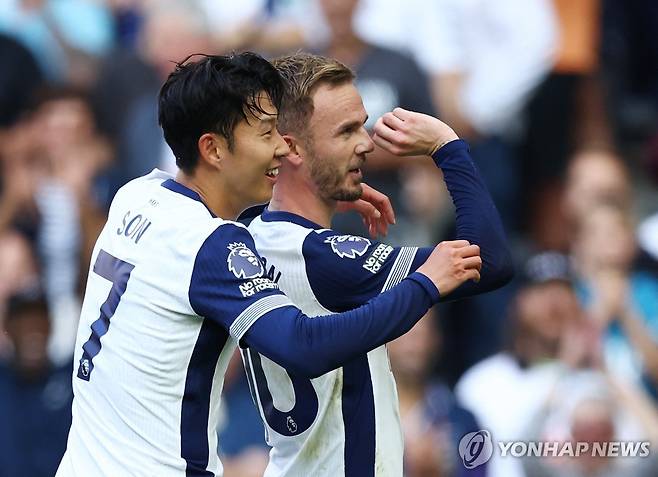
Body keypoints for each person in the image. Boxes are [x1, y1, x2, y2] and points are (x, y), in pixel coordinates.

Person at [55, 52, 483, 476]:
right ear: (213, 148)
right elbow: (302, 345)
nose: (281, 147)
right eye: (264, 133)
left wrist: (328, 190)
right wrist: (424, 285)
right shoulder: (210, 245)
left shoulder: (137, 195)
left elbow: (216, 226)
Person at [245, 52, 512, 477]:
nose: (367, 143)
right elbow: (491, 259)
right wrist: (447, 145)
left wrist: (333, 191)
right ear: (291, 147)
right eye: (347, 130)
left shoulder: (250, 235)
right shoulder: (325, 257)